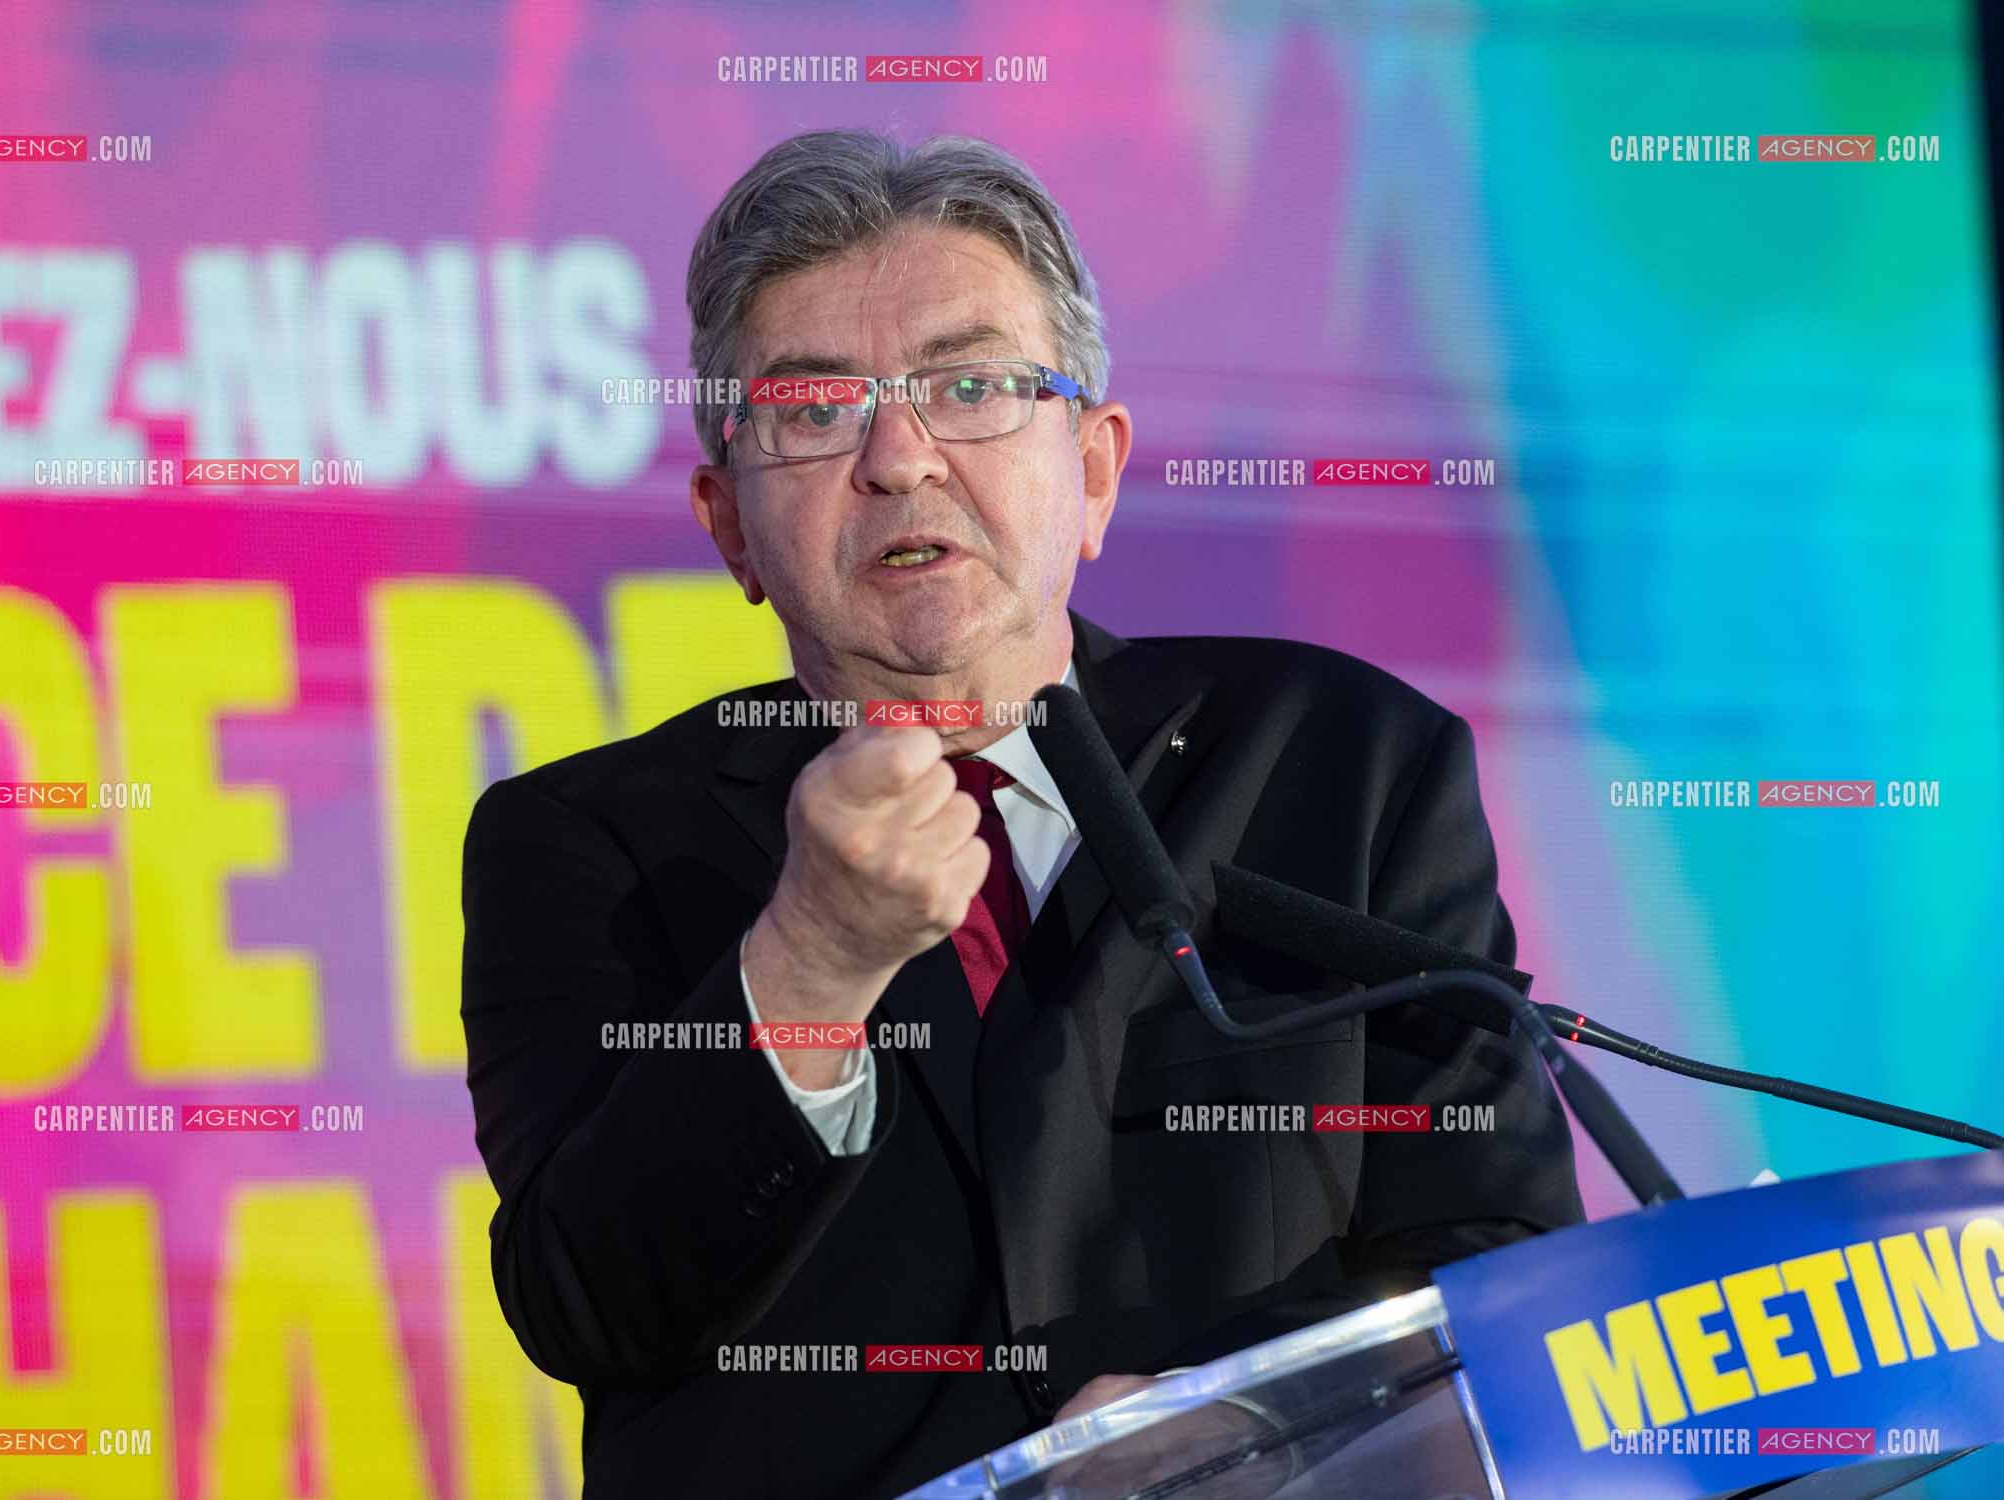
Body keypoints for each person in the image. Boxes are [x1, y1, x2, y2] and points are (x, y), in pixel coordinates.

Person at [461, 127, 1584, 1500]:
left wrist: (1232, 1422)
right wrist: (810, 962)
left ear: (1096, 466)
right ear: (729, 527)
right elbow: (589, 1308)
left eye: (971, 384)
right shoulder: (588, 842)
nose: (899, 459)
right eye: (813, 409)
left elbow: (1493, 1245)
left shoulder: (1338, 761)